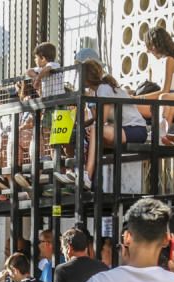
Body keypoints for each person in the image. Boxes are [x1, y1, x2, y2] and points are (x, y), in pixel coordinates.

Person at [57, 60, 148, 189]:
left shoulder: (103, 88)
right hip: (121, 130)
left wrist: (90, 126)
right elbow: (97, 118)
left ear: (86, 76)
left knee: (95, 130)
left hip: (135, 130)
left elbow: (101, 120)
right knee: (88, 135)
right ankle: (81, 176)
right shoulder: (97, 91)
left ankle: (87, 176)